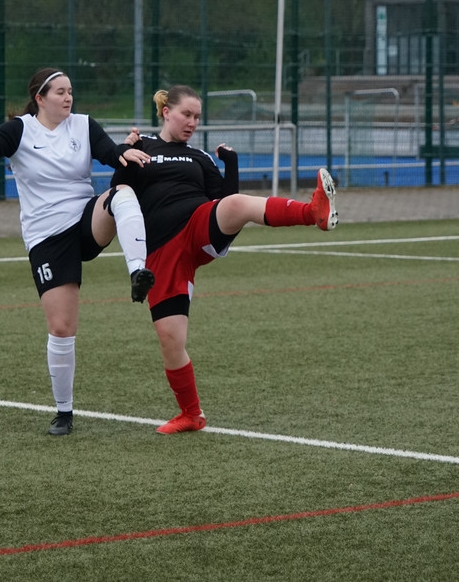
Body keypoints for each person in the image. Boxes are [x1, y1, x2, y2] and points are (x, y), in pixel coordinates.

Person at [111, 85, 338, 434]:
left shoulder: (200, 157)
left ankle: (313, 212)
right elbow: (119, 193)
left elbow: (225, 201)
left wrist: (230, 164)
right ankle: (191, 414)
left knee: (235, 206)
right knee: (171, 340)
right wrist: (124, 154)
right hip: (161, 250)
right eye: (187, 114)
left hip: (198, 227)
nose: (192, 122)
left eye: (197, 117)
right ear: (166, 112)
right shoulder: (141, 147)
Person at [0, 68, 155, 435]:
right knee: (61, 327)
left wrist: (127, 152)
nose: (68, 98)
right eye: (59, 92)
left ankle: (138, 271)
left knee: (122, 195)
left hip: (85, 220)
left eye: (70, 92)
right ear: (40, 98)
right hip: (47, 238)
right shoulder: (21, 129)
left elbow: (109, 153)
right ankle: (64, 413)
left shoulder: (83, 125)